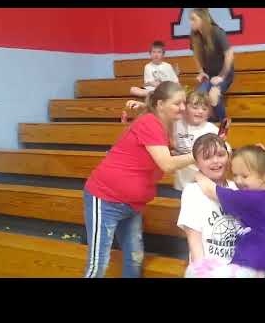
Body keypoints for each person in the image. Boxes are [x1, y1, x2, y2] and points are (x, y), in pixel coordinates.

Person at [83, 81, 194, 278]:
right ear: (160, 105)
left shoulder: (163, 124)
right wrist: (199, 155)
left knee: (135, 257)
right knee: (98, 263)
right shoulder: (149, 122)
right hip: (105, 198)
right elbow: (167, 165)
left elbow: (191, 112)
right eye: (177, 103)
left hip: (132, 204)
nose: (183, 107)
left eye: (184, 102)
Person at [177, 134, 265, 278]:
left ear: (229, 156)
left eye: (220, 154)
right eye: (207, 157)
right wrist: (200, 270)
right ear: (197, 163)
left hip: (245, 267)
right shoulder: (193, 191)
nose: (215, 161)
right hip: (212, 271)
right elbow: (194, 241)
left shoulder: (240, 187)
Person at [126, 90, 230, 191]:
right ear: (184, 108)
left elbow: (227, 151)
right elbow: (162, 111)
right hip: (181, 184)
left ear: (209, 112)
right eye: (195, 107)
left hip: (203, 184)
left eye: (204, 108)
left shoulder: (212, 130)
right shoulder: (176, 123)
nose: (200, 111)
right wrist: (142, 106)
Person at [189, 8, 234, 124]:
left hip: (224, 75)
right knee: (198, 98)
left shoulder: (217, 32)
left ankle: (224, 124)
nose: (191, 22)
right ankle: (206, 124)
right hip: (209, 76)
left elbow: (229, 55)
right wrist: (200, 71)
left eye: (193, 19)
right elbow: (195, 54)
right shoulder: (194, 36)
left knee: (213, 95)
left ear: (203, 19)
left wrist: (221, 76)